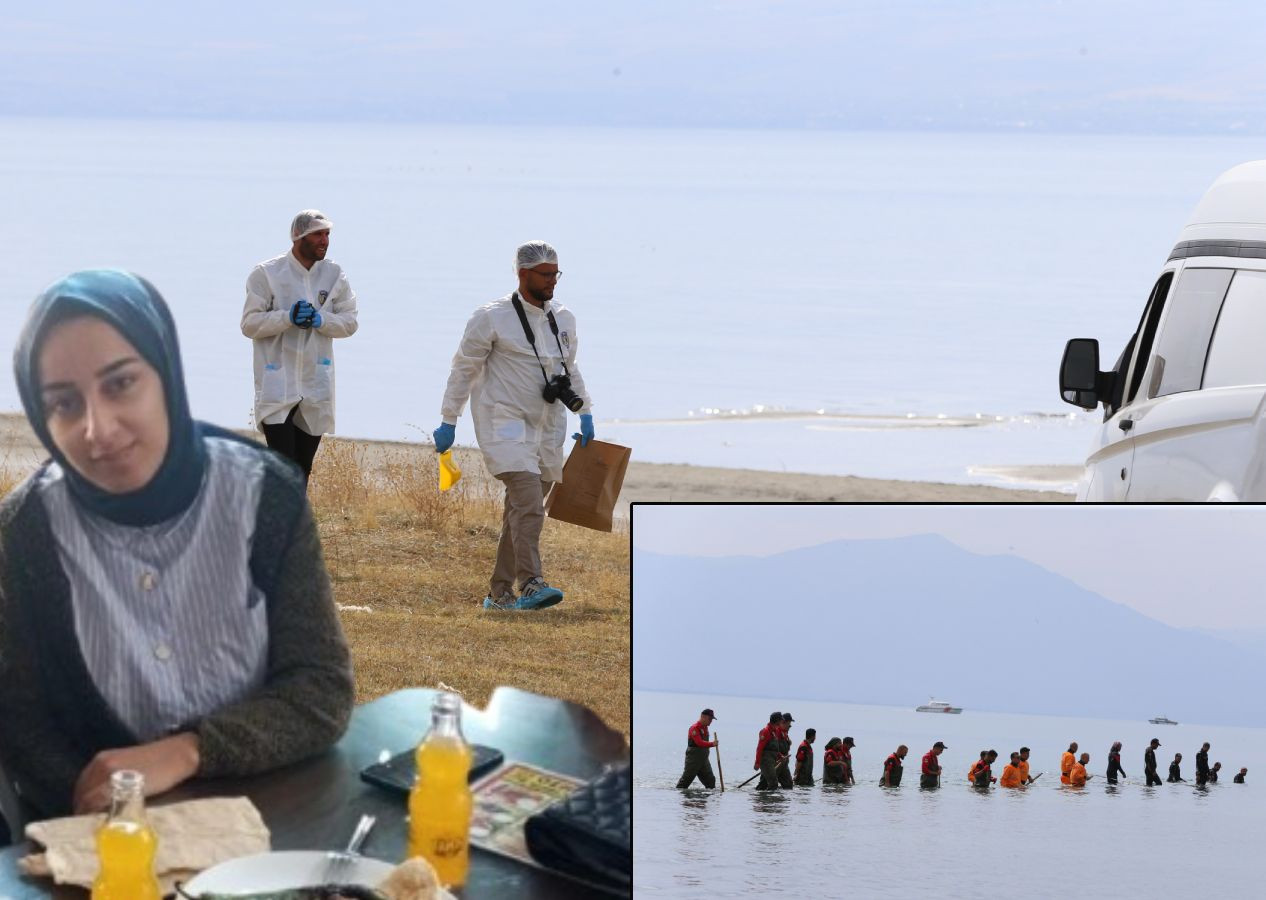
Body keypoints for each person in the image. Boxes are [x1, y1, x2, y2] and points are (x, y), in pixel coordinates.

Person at [0, 270, 355, 819]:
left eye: (120, 384)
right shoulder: (21, 535)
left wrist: (190, 750)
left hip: (270, 820)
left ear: (165, 374)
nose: (99, 429)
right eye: (64, 404)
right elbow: (21, 725)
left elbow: (319, 689)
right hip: (97, 843)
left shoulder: (265, 496)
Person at [435, 241, 594, 611]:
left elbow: (570, 369)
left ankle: (499, 594)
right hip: (504, 423)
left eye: (556, 273)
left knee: (520, 511)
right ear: (523, 274)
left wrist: (585, 410)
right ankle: (533, 584)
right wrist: (448, 419)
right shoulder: (491, 317)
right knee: (529, 505)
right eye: (545, 274)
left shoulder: (563, 318)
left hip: (547, 426)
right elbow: (463, 369)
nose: (552, 281)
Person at [241, 210, 359, 485]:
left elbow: (350, 322)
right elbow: (249, 324)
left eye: (327, 234)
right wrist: (286, 317)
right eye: (318, 234)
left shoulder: (334, 275)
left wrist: (321, 320)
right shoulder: (267, 274)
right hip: (277, 379)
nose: (324, 241)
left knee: (302, 467)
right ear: (299, 236)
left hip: (316, 380)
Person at [676, 708, 718, 789]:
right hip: (693, 760)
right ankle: (680, 796)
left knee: (711, 781)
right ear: (703, 716)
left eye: (711, 719)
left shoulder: (705, 728)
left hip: (704, 759)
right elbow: (699, 742)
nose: (711, 721)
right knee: (685, 781)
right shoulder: (694, 728)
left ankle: (707, 799)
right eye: (709, 719)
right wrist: (712, 744)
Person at [754, 712, 786, 790]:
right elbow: (760, 748)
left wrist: (780, 756)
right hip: (765, 762)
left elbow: (773, 749)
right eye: (781, 720)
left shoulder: (774, 731)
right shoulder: (766, 731)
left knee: (767, 783)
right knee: (774, 782)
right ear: (777, 720)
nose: (782, 722)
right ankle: (769, 801)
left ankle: (764, 799)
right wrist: (757, 763)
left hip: (772, 761)